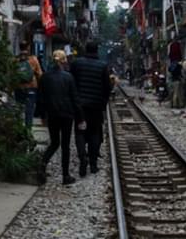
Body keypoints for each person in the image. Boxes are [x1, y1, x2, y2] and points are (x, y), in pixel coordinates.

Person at [38, 50, 83, 185]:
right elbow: (75, 98)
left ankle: (42, 163)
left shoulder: (45, 77)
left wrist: (42, 115)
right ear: (64, 61)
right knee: (65, 145)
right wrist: (80, 117)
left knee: (55, 142)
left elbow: (41, 98)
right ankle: (65, 175)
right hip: (67, 114)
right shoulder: (68, 77)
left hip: (52, 114)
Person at [70, 41, 113, 177]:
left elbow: (72, 84)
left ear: (85, 50)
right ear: (97, 51)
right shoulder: (103, 66)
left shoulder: (76, 64)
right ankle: (93, 165)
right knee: (94, 133)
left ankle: (83, 157)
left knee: (80, 132)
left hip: (80, 106)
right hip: (95, 106)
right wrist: (103, 103)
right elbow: (107, 88)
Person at [14, 41, 44, 128]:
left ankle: (18, 128)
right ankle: (27, 131)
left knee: (18, 109)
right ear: (28, 47)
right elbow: (40, 74)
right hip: (31, 88)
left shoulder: (15, 60)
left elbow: (12, 74)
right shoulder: (33, 59)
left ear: (20, 48)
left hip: (18, 87)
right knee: (29, 110)